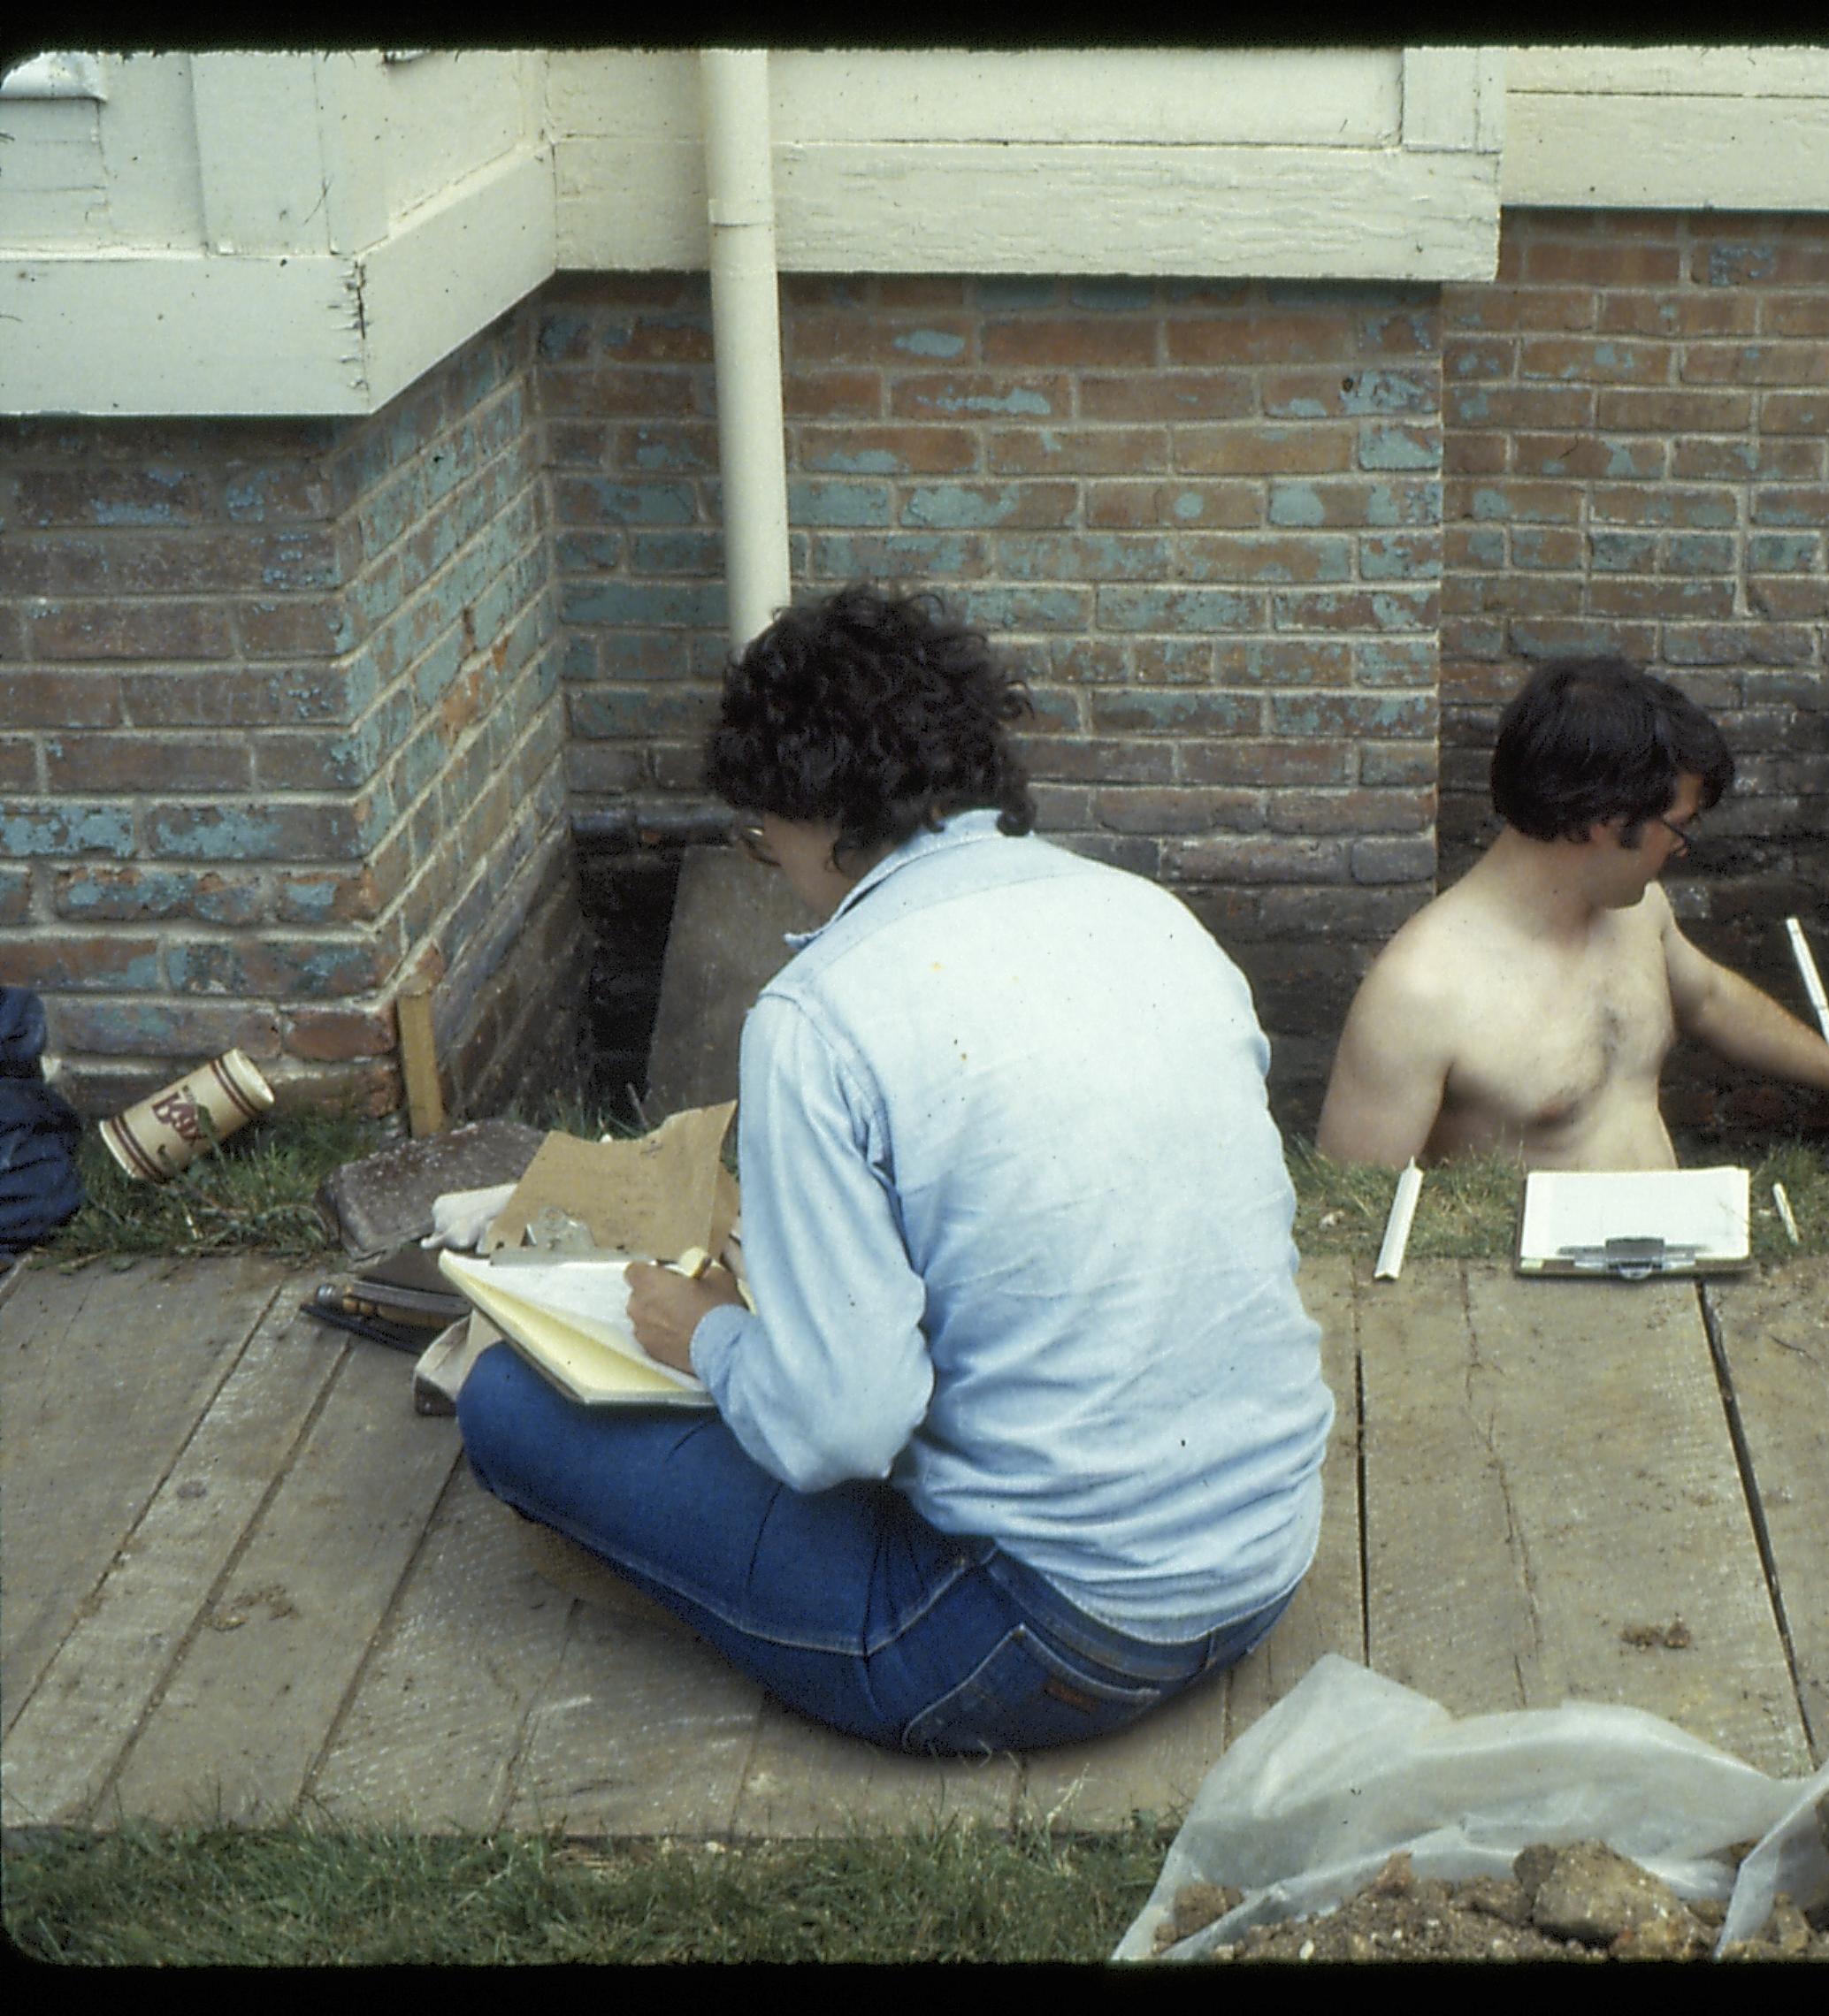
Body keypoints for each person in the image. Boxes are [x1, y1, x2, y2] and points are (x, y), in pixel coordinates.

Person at [454, 584, 1334, 1756]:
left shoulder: (819, 1016)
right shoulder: (1152, 916)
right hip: (1265, 1560)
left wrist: (706, 1335)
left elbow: (842, 1432)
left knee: (508, 1405)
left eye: (762, 840)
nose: (774, 867)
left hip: (1035, 1641)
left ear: (813, 813)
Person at [1316, 653, 1829, 1173]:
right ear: (1607, 820)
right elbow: (1352, 1222)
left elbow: (1710, 1000)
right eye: (1677, 830)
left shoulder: (1636, 913)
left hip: (1674, 1279)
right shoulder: (1420, 994)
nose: (1680, 851)